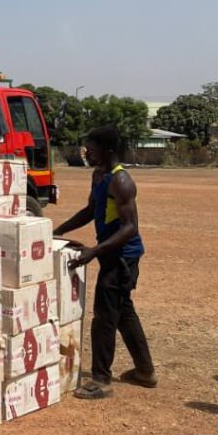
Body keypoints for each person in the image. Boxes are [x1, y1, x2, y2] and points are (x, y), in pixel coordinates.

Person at [54, 125, 157, 400]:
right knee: (123, 312)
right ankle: (145, 372)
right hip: (111, 254)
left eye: (92, 148)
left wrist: (95, 251)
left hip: (123, 257)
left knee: (104, 318)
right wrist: (60, 230)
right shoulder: (98, 175)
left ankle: (101, 380)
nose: (87, 153)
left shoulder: (121, 181)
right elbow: (91, 210)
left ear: (108, 150)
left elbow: (130, 227)